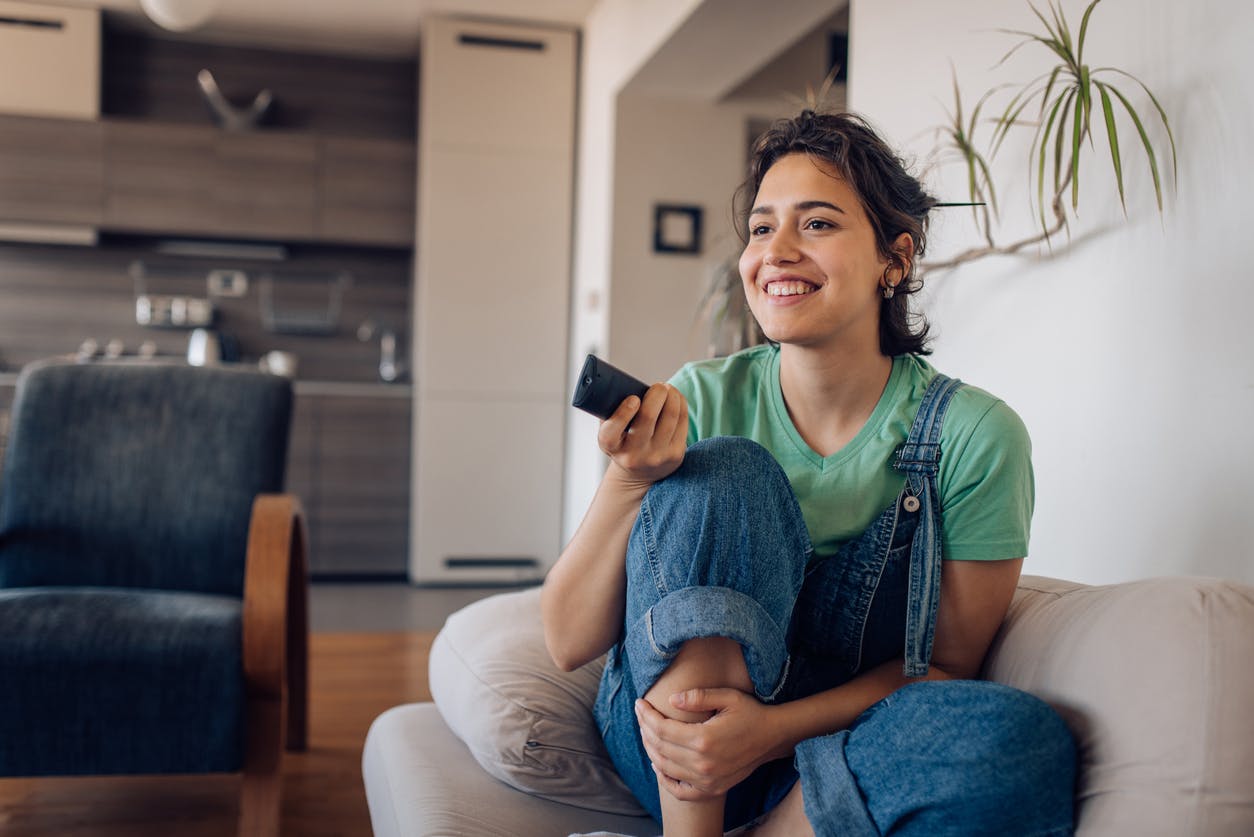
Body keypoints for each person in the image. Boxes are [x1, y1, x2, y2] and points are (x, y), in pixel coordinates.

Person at [541, 110, 1076, 837]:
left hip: (834, 749)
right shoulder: (701, 398)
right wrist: (628, 481)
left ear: (896, 259)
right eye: (762, 228)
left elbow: (943, 670)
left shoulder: (974, 435)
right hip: (671, 757)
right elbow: (569, 640)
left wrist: (768, 730)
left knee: (1023, 743)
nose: (777, 252)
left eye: (817, 224)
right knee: (729, 470)